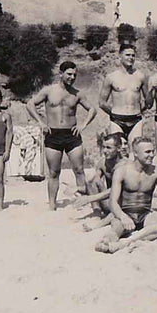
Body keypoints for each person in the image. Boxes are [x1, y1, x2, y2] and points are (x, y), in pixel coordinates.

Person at [26, 61, 98, 210]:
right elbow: (30, 104)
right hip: (53, 133)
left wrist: (83, 125)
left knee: (79, 169)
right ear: (61, 74)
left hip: (72, 134)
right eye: (69, 74)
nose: (72, 77)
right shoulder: (48, 91)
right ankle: (52, 205)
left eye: (74, 75)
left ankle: (82, 202)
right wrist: (41, 122)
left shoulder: (77, 94)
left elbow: (92, 110)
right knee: (53, 172)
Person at [95, 137, 157, 252]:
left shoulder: (156, 172)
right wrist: (123, 216)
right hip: (126, 213)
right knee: (115, 229)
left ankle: (134, 241)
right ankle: (107, 242)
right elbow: (113, 202)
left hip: (146, 215)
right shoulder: (122, 171)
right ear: (135, 153)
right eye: (147, 152)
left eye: (153, 151)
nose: (152, 155)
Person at [71, 133, 126, 231]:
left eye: (109, 148)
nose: (105, 151)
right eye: (103, 147)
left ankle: (97, 224)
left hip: (122, 202)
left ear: (118, 148)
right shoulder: (102, 162)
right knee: (92, 180)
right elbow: (93, 185)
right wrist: (78, 189)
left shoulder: (125, 165)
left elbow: (117, 189)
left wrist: (90, 198)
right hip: (109, 200)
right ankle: (97, 212)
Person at [100, 44, 148, 146]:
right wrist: (113, 113)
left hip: (136, 120)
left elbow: (148, 100)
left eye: (133, 55)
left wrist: (139, 110)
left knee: (136, 151)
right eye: (127, 55)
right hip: (117, 120)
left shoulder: (140, 76)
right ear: (120, 56)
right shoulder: (111, 77)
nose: (131, 58)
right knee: (118, 151)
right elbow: (102, 102)